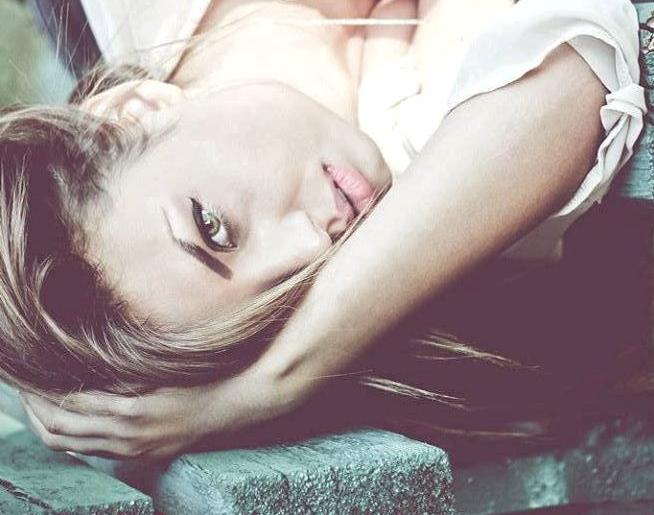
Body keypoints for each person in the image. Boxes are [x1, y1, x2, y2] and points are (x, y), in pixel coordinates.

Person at [4, 0, 645, 459]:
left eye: (213, 228)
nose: (313, 247)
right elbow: (572, 68)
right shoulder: (434, 151)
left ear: (132, 109)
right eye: (284, 301)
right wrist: (270, 382)